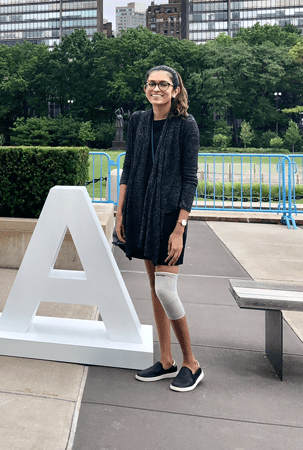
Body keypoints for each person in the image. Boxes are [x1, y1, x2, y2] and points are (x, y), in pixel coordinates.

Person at [115, 65, 203, 392]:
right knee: (154, 288)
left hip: (168, 215)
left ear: (175, 90)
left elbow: (189, 179)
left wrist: (180, 228)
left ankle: (191, 364)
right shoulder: (138, 121)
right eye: (152, 84)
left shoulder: (185, 125)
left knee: (166, 289)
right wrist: (121, 212)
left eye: (164, 84)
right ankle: (166, 360)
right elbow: (128, 169)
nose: (157, 89)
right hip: (141, 212)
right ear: (145, 89)